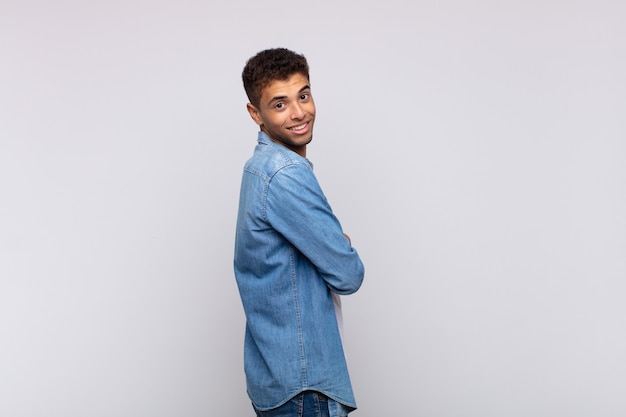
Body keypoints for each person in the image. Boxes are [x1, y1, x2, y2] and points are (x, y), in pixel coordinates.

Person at [234, 47, 365, 417]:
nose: (298, 112)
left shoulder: (258, 168)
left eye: (303, 95)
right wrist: (340, 245)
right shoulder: (284, 174)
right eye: (279, 104)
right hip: (303, 385)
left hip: (278, 378)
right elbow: (349, 273)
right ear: (255, 114)